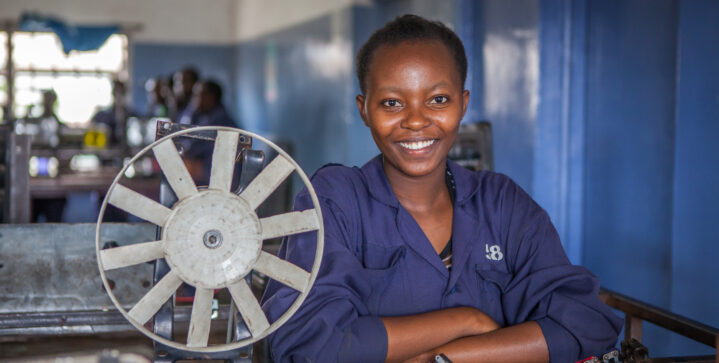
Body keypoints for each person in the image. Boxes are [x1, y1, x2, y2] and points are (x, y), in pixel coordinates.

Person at [261, 15, 622, 362]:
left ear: (463, 104)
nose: (416, 120)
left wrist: (446, 357)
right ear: (364, 110)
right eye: (392, 103)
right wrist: (466, 321)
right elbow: (309, 344)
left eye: (438, 100)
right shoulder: (335, 200)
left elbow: (586, 323)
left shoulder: (501, 204)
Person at [183, 79, 238, 186]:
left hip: (220, 180)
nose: (194, 100)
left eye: (197, 95)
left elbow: (193, 149)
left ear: (210, 97)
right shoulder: (206, 117)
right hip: (208, 175)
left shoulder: (222, 123)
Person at [91, 80, 134, 146]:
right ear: (113, 94)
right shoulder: (103, 116)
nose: (119, 97)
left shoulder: (131, 115)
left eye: (121, 93)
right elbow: (93, 126)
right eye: (116, 93)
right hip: (110, 149)